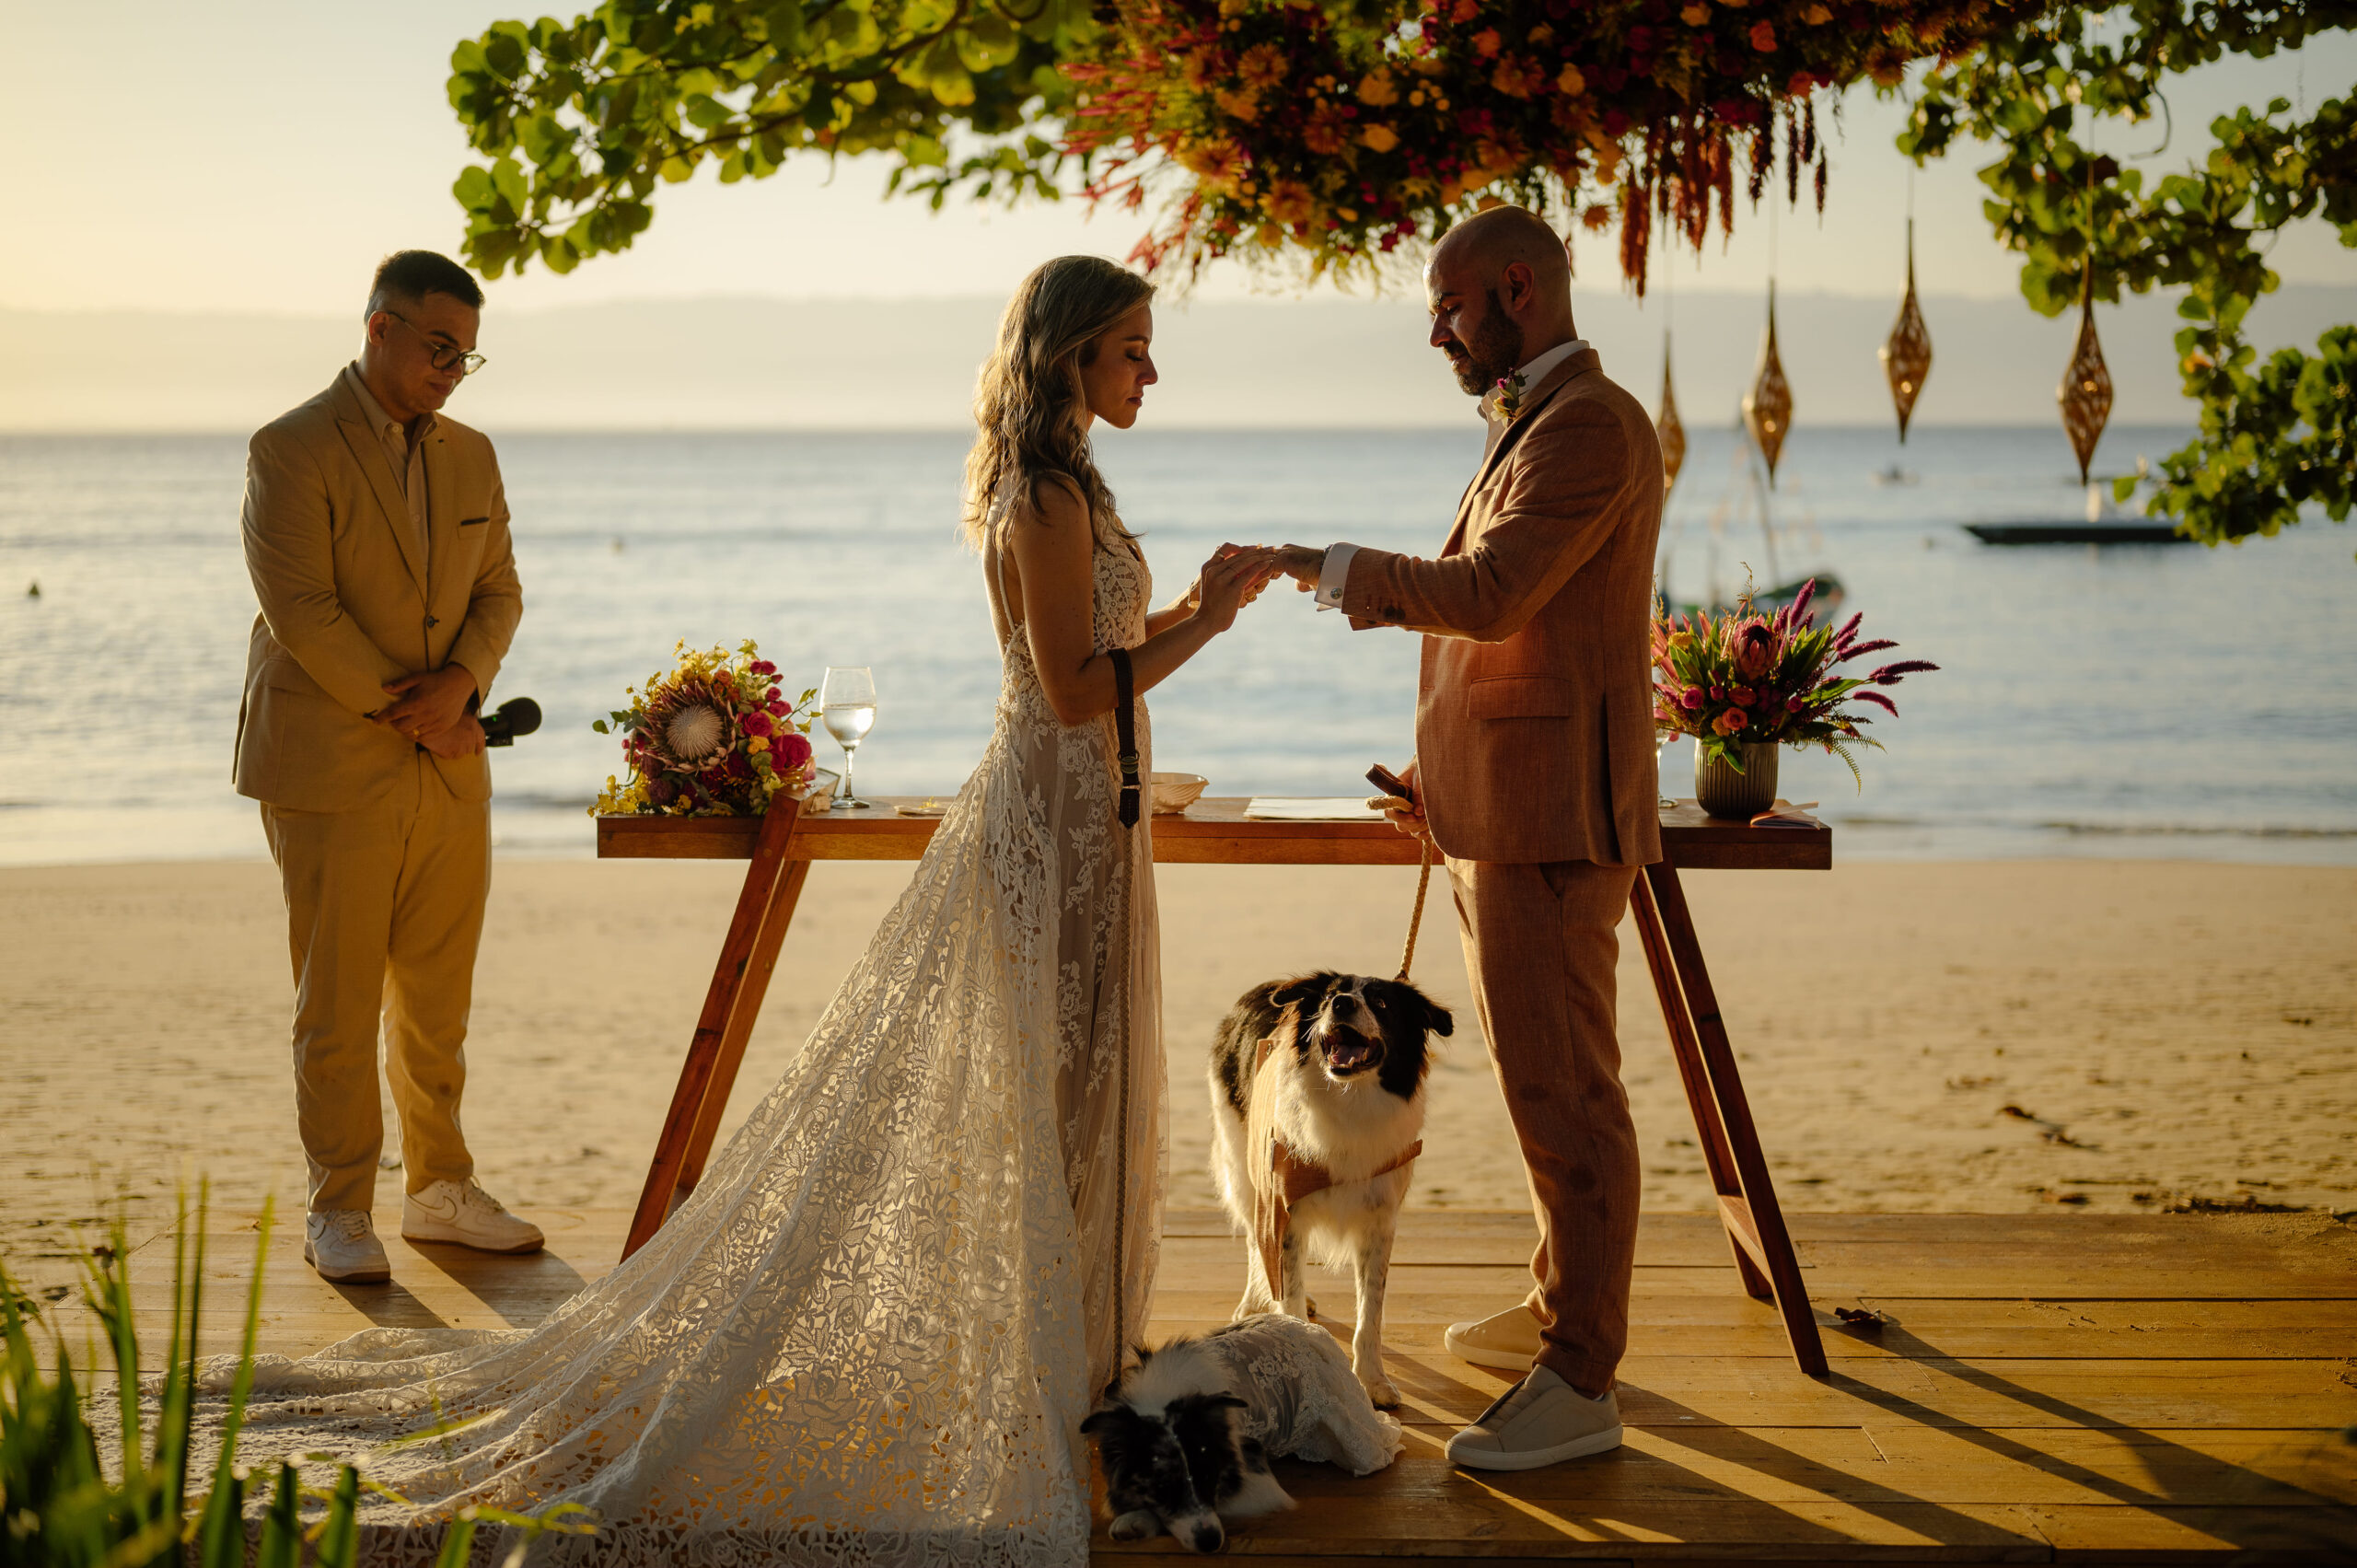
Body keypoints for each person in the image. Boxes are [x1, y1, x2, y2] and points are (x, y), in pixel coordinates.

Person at [174, 255, 1272, 1564]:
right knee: (1042, 1099)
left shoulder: (1071, 479)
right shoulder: (1039, 495)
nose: (1151, 371)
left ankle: (1088, 1363)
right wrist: (1208, 612)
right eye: (1133, 349)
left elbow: (498, 591)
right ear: (1070, 356)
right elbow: (1078, 689)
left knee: (1089, 1099)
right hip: (1049, 811)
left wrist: (462, 674)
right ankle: (1051, 1377)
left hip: (1097, 820)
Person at [1260, 204, 1665, 1471]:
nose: (1434, 332)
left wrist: (1321, 564)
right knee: (1547, 1074)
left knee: (1566, 1094)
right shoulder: (1540, 422)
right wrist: (1444, 770)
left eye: (1447, 309)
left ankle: (1580, 1373)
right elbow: (1526, 641)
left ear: (1515, 289)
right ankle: (1562, 1311)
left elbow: (1492, 598)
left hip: (1556, 815)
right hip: (1515, 797)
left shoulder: (1589, 427)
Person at [237, 249, 540, 1283]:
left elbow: (499, 591)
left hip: (452, 760)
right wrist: (421, 713)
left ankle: (440, 1188)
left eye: (467, 355)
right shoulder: (289, 448)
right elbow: (302, 612)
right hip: (330, 761)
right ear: (379, 328)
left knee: (437, 997)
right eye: (438, 348)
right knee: (338, 997)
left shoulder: (474, 454)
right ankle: (340, 1205)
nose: (452, 370)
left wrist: (463, 680)